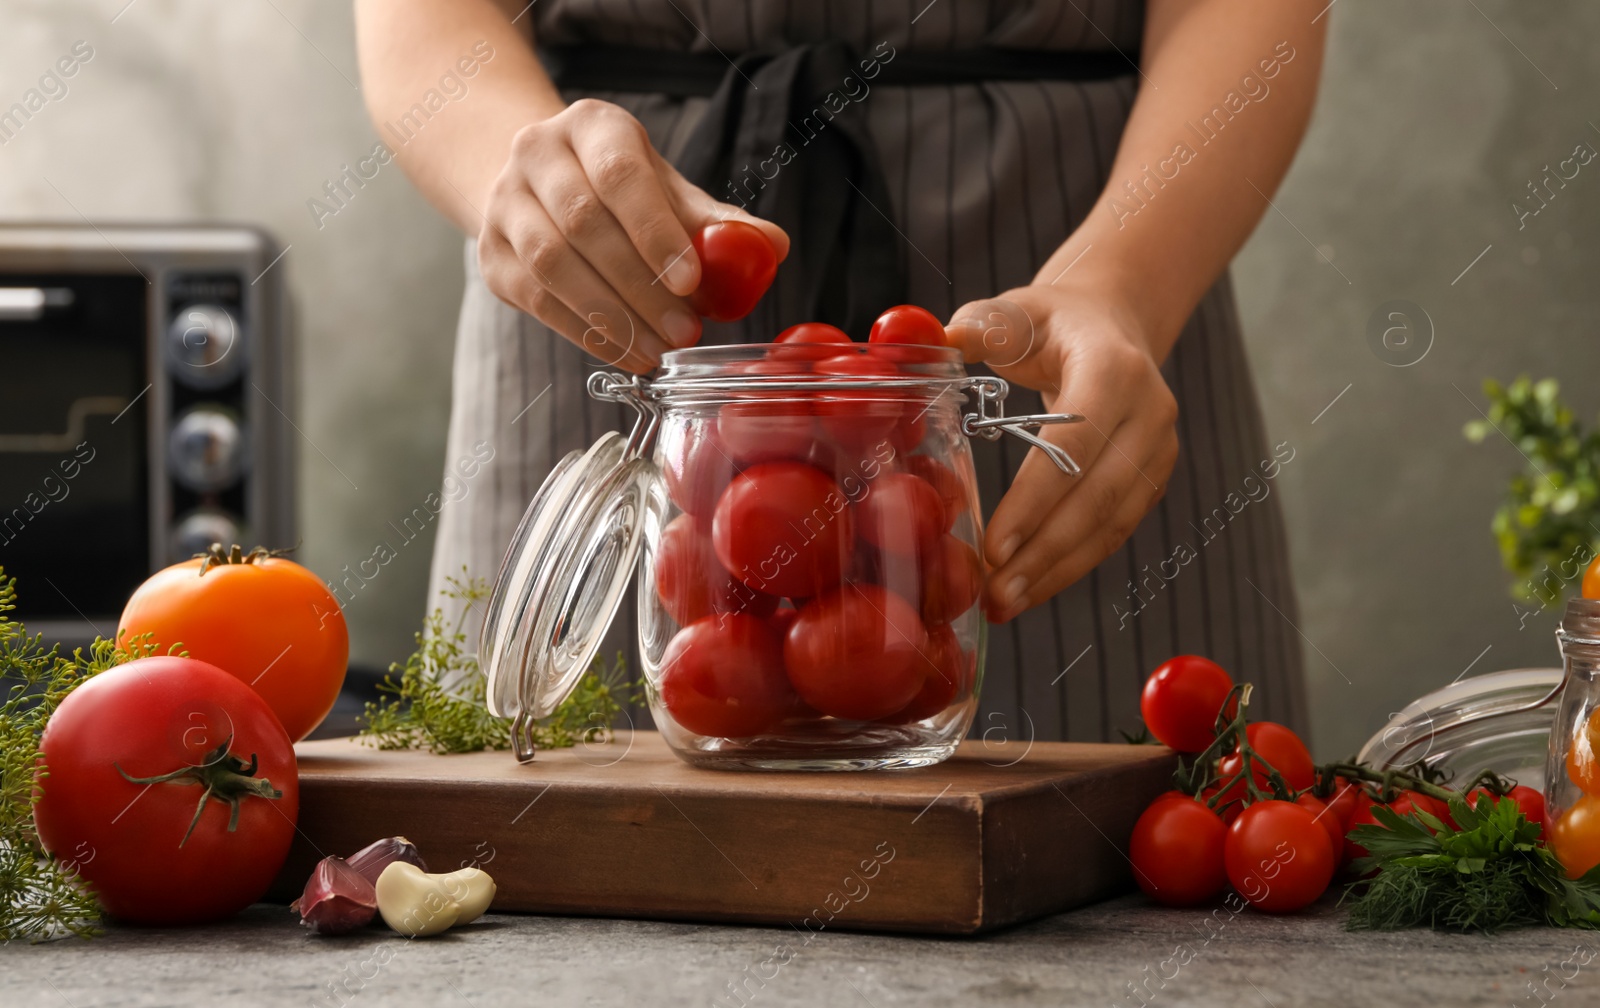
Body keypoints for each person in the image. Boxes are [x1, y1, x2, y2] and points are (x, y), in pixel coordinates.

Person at [354, 0, 1326, 741]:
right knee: (544, 894)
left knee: (1138, 931)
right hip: (606, 274)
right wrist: (507, 172)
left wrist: (1122, 287)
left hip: (1075, 300)